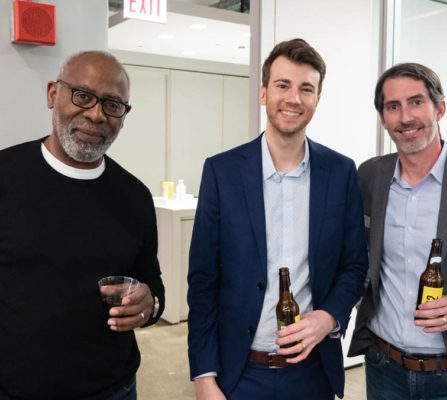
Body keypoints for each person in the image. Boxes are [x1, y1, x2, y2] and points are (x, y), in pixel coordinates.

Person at [187, 38, 368, 400]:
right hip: (239, 374)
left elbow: (354, 265)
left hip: (312, 374)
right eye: (283, 85)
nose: (293, 98)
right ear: (264, 93)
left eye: (306, 89)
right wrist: (204, 375)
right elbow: (203, 279)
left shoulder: (341, 172)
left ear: (317, 99)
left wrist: (329, 317)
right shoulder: (222, 172)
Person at [0, 51, 165, 400]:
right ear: (52, 94)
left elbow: (152, 285)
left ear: (124, 116)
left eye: (112, 105)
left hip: (113, 389)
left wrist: (149, 305)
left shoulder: (135, 197)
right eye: (83, 96)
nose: (96, 114)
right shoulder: (6, 176)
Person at [348, 62, 447, 400]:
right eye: (393, 107)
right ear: (383, 119)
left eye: (416, 102)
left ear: (439, 109)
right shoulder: (369, 177)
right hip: (383, 367)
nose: (405, 117)